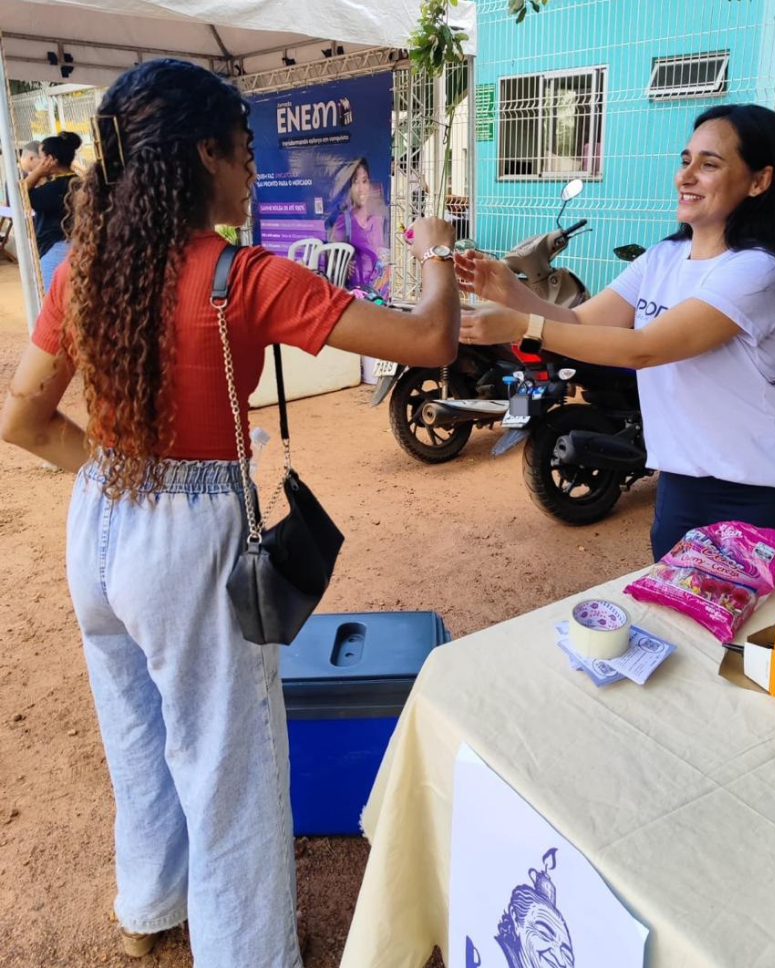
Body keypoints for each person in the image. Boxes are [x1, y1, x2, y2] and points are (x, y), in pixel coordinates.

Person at [0, 58, 459, 967]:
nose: (253, 172)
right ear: (203, 153)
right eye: (246, 153)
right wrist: (439, 248)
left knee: (136, 734)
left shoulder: (84, 272)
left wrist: (119, 474)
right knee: (229, 765)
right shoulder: (241, 276)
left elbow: (23, 418)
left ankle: (149, 906)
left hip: (98, 525)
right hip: (191, 538)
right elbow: (430, 339)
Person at [456, 104, 775, 594]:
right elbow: (581, 323)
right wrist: (509, 291)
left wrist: (524, 323)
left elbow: (645, 349)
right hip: (679, 489)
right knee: (685, 646)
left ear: (759, 181)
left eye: (709, 164)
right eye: (686, 159)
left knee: (758, 660)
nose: (685, 176)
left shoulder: (757, 271)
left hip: (759, 496)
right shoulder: (664, 257)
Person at [22, 131, 81, 288]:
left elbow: (21, 195)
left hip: (55, 250)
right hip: (79, 246)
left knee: (53, 302)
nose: (39, 162)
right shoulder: (79, 182)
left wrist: (37, 173)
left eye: (41, 157)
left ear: (51, 160)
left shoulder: (54, 188)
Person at [330, 156, 390, 290]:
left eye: (364, 181)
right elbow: (331, 252)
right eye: (355, 182)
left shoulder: (378, 219)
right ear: (349, 187)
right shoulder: (345, 220)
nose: (361, 188)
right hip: (355, 295)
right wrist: (341, 265)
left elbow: (382, 257)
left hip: (377, 293)